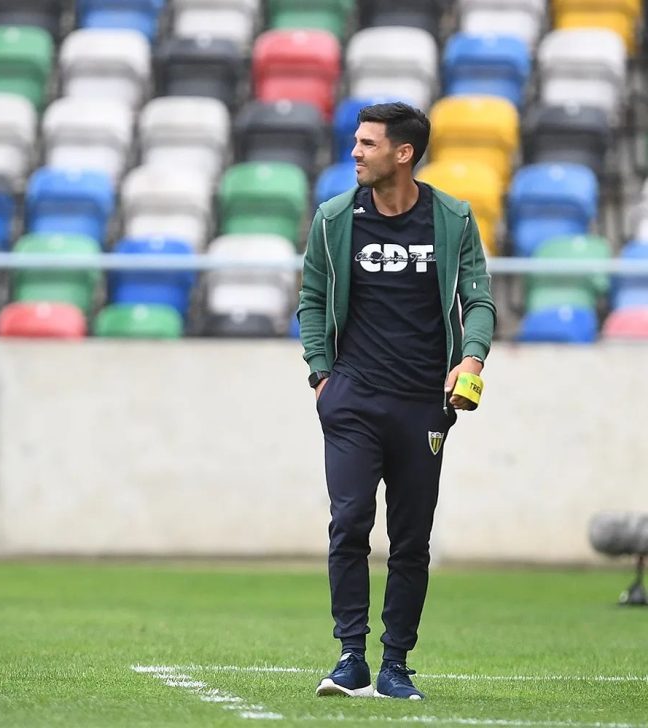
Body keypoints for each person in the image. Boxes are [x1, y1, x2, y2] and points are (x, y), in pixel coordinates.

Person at [296, 103, 496, 699]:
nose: (354, 152)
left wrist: (472, 358)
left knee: (411, 539)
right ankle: (350, 656)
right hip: (352, 397)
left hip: (423, 403)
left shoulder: (453, 218)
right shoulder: (334, 217)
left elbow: (479, 298)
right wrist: (320, 375)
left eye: (367, 144)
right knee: (350, 521)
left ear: (402, 153)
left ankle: (395, 665)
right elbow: (310, 295)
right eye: (355, 142)